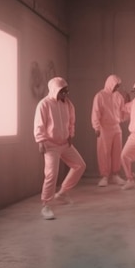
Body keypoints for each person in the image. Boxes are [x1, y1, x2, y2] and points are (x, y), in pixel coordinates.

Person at [34, 77, 86, 220]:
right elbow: (39, 124)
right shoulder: (44, 104)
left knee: (80, 165)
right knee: (51, 174)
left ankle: (62, 193)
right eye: (62, 91)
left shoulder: (68, 104)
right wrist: (41, 140)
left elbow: (71, 121)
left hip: (64, 143)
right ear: (55, 90)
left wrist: (71, 135)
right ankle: (46, 205)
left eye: (66, 91)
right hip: (50, 145)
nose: (65, 94)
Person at [91, 74, 129, 187]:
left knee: (117, 151)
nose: (117, 88)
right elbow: (95, 112)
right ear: (110, 84)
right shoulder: (100, 96)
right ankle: (104, 176)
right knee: (104, 152)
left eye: (118, 86)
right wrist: (96, 127)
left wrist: (128, 104)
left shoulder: (119, 96)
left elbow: (123, 113)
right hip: (104, 127)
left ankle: (115, 175)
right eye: (116, 85)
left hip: (116, 126)